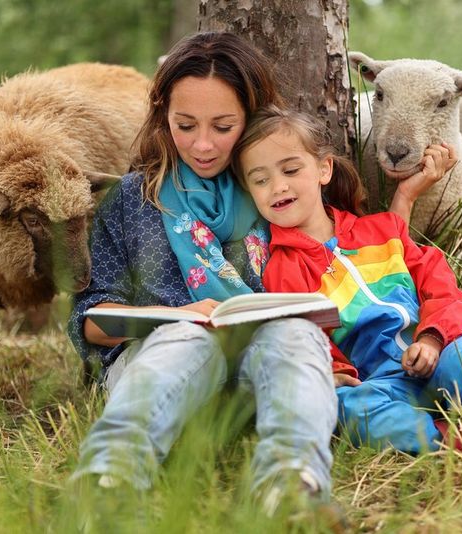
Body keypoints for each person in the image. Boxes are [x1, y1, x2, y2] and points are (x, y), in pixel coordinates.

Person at [67, 32, 341, 517]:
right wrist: (176, 315)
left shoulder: (275, 186)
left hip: (263, 368)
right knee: (186, 338)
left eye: (223, 125)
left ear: (252, 116)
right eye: (185, 125)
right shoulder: (133, 200)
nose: (204, 144)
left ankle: (292, 489)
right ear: (163, 116)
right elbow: (89, 319)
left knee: (296, 334)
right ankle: (109, 481)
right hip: (164, 369)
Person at [232, 106, 462, 454]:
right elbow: (305, 336)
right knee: (347, 407)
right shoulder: (280, 268)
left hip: (441, 352)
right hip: (381, 380)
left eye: (290, 170)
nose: (277, 187)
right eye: (260, 180)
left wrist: (431, 338)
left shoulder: (383, 230)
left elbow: (442, 287)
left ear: (324, 169)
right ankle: (447, 440)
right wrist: (333, 372)